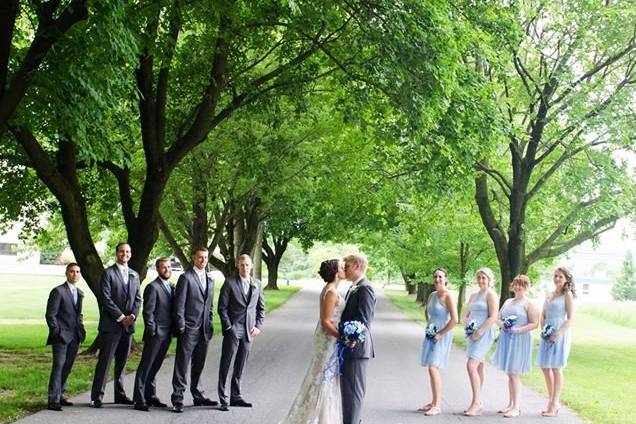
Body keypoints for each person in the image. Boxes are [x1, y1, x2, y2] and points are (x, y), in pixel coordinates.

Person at [282, 259, 346, 423]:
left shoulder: (333, 289)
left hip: (331, 337)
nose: (344, 268)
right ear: (335, 272)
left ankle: (326, 417)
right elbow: (326, 321)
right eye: (341, 267)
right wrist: (343, 337)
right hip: (327, 339)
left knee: (327, 378)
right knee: (321, 376)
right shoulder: (331, 291)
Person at [91, 242, 141, 407]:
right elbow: (106, 299)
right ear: (116, 253)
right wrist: (120, 317)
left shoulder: (134, 274)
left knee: (122, 361)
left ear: (131, 253)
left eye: (127, 251)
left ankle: (119, 394)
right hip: (111, 325)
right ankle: (97, 396)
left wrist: (132, 316)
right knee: (105, 361)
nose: (124, 254)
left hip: (128, 326)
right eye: (121, 251)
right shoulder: (108, 273)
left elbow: (138, 299)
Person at [170, 247, 217, 412]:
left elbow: (210, 305)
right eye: (200, 257)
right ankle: (178, 398)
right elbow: (179, 305)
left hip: (204, 330)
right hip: (188, 329)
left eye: (205, 257)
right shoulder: (186, 278)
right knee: (182, 365)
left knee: (199, 364)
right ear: (193, 258)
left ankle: (198, 395)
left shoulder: (210, 279)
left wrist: (210, 323)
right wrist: (181, 325)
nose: (203, 260)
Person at [217, 254, 265, 411]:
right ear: (238, 265)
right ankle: (223, 398)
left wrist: (258, 326)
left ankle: (235, 396)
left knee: (241, 364)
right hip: (233, 329)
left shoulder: (257, 284)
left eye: (247, 265)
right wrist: (228, 327)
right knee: (226, 363)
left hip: (249, 330)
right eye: (242, 264)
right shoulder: (230, 283)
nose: (245, 267)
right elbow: (222, 308)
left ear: (251, 266)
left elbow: (260, 308)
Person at [492, 274, 539, 418]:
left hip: (520, 339)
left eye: (522, 285)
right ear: (513, 285)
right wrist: (503, 325)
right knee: (509, 373)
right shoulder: (507, 302)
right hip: (507, 338)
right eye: (516, 284)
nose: (518, 287)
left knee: (514, 372)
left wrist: (517, 330)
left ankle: (516, 407)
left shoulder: (528, 304)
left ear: (526, 287)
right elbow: (497, 318)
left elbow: (534, 323)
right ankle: (510, 404)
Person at [132, 257, 175, 411]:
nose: (167, 270)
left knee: (155, 366)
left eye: (169, 267)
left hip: (167, 333)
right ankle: (139, 398)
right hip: (156, 333)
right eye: (163, 267)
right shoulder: (153, 287)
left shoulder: (171, 287)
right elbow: (148, 312)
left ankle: (150, 396)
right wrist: (152, 330)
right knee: (146, 366)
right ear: (157, 269)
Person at [340, 253, 376, 424]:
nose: (344, 269)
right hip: (349, 349)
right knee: (348, 395)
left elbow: (364, 320)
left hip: (356, 348)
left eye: (346, 266)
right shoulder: (355, 287)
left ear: (356, 266)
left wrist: (351, 338)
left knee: (353, 395)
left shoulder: (365, 288)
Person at [45, 263, 86, 411]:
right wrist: (57, 332)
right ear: (66, 273)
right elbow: (51, 315)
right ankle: (52, 400)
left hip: (75, 336)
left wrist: (81, 329)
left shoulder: (80, 293)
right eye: (72, 272)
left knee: (67, 367)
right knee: (58, 366)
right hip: (61, 337)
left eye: (77, 272)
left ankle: (60, 395)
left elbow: (78, 314)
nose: (75, 274)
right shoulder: (58, 291)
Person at [418, 268, 458, 416]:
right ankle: (433, 401)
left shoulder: (448, 296)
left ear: (446, 279)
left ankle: (438, 405)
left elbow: (455, 320)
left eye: (440, 277)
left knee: (433, 368)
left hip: (442, 334)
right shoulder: (432, 295)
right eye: (435, 276)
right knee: (431, 367)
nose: (437, 279)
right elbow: (426, 312)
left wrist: (440, 333)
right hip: (432, 333)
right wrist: (430, 326)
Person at [537, 267, 576, 417]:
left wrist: (558, 333)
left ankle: (554, 402)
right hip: (547, 333)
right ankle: (552, 400)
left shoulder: (568, 295)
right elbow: (543, 315)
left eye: (560, 276)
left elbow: (571, 318)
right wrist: (544, 331)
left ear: (566, 279)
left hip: (560, 334)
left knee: (556, 368)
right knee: (545, 367)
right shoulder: (549, 294)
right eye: (555, 276)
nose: (557, 279)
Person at [463, 267, 499, 416]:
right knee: (479, 367)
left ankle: (477, 402)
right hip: (472, 334)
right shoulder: (473, 295)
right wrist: (468, 326)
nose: (481, 280)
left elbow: (493, 317)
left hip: (484, 333)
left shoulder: (491, 294)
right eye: (478, 277)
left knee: (471, 365)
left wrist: (479, 332)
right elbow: (467, 314)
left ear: (489, 280)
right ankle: (477, 401)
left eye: (484, 277)